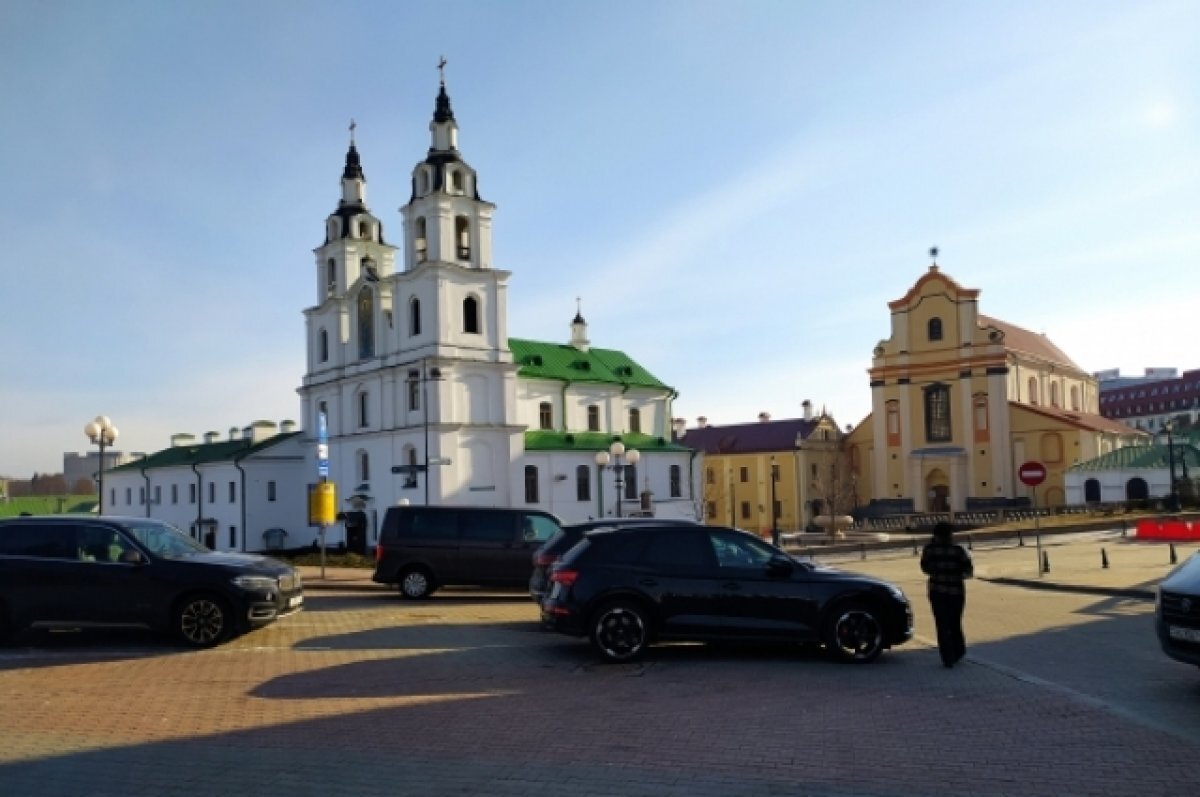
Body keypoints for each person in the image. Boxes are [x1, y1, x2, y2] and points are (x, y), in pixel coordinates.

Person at [920, 521, 973, 668]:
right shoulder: (959, 550)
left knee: (941, 624)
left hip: (937, 591)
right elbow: (968, 571)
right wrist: (956, 574)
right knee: (955, 622)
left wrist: (937, 572)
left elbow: (924, 568)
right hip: (956, 592)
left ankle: (947, 657)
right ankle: (958, 651)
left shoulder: (929, 550)